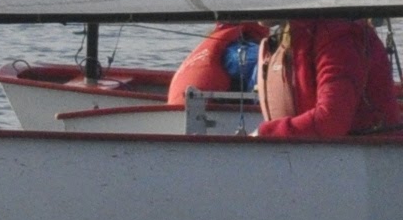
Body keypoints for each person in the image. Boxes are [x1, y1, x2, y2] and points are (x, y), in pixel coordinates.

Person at [254, 19, 402, 140]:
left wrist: (264, 134)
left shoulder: (340, 35)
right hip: (313, 159)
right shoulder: (297, 34)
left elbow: (332, 121)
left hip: (365, 162)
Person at [165, 22, 267, 105]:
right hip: (205, 114)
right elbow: (261, 62)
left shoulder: (217, 45)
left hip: (179, 111)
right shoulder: (239, 50)